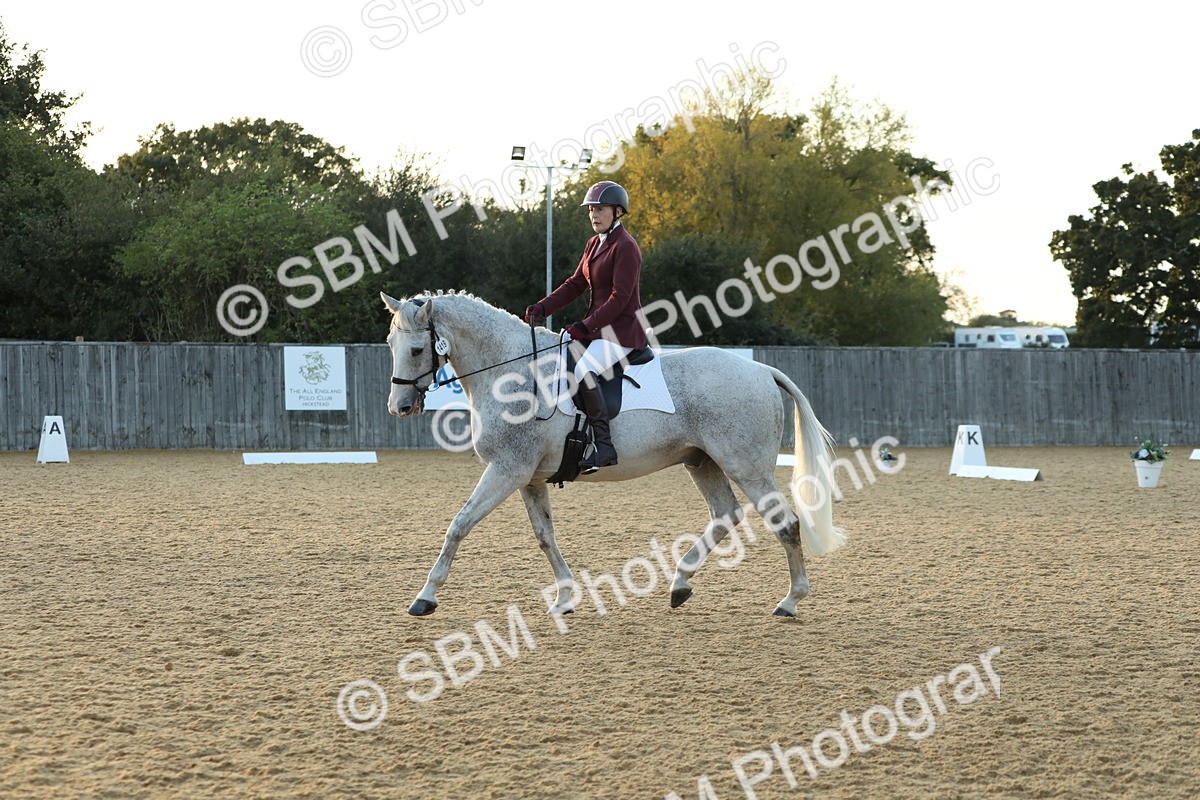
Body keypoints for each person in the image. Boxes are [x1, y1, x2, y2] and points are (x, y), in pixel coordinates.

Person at [525, 180, 646, 473]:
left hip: (622, 332)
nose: (594, 214)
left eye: (600, 209)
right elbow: (576, 283)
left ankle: (604, 447)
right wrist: (544, 307)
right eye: (591, 209)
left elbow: (620, 299)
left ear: (618, 211)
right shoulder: (594, 244)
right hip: (598, 330)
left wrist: (585, 325)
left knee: (584, 370)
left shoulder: (626, 247)